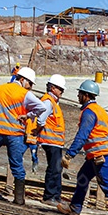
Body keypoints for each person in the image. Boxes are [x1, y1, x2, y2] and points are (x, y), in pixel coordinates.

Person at [0, 66, 51, 205]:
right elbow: (42, 107)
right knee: (17, 165)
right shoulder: (24, 93)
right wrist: (28, 115)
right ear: (22, 80)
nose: (31, 87)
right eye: (30, 84)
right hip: (14, 134)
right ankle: (19, 199)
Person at [58, 80, 108, 215]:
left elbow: (82, 136)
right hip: (97, 155)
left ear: (86, 95)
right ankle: (75, 208)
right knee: (82, 177)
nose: (78, 95)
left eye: (80, 93)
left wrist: (69, 155)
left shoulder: (89, 113)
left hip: (101, 156)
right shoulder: (99, 110)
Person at [36, 74, 68, 204]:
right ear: (53, 88)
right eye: (60, 89)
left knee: (57, 169)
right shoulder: (48, 102)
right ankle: (49, 196)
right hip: (50, 141)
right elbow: (40, 119)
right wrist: (38, 132)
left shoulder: (53, 102)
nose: (62, 92)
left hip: (55, 142)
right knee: (54, 169)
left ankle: (56, 196)